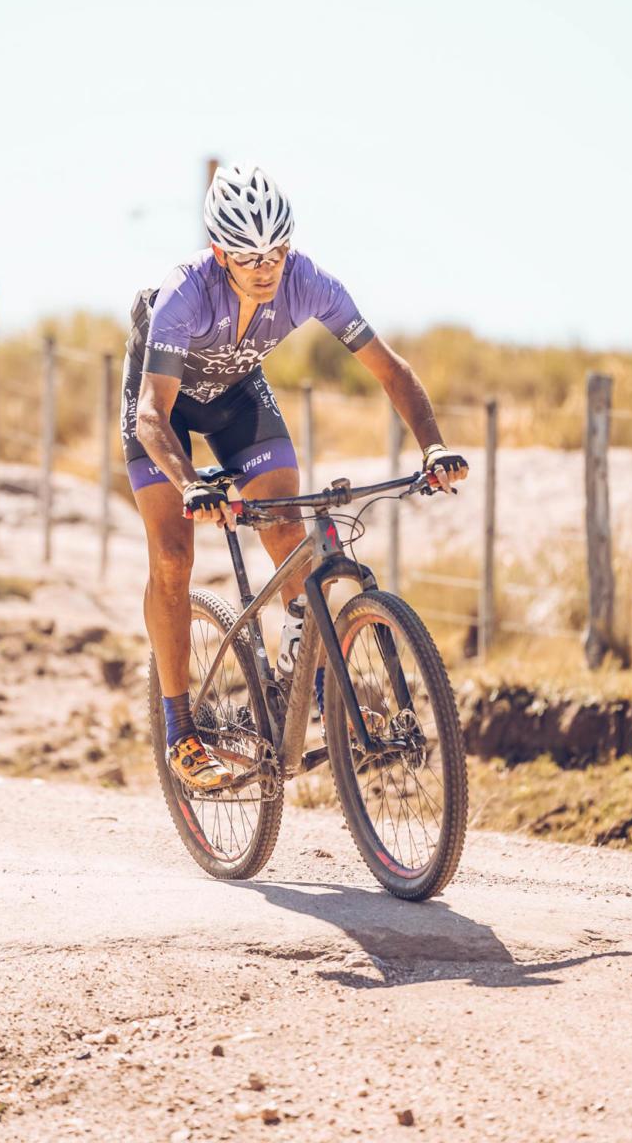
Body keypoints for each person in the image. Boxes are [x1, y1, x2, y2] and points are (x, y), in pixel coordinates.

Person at [122, 164, 468, 791]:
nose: (266, 268)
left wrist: (433, 445)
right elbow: (151, 416)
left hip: (237, 399)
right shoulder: (184, 294)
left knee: (286, 526)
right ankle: (180, 729)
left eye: (276, 252)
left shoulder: (309, 282)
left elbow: (390, 370)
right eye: (249, 257)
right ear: (220, 252)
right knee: (172, 556)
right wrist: (191, 484)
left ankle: (313, 686)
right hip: (163, 412)